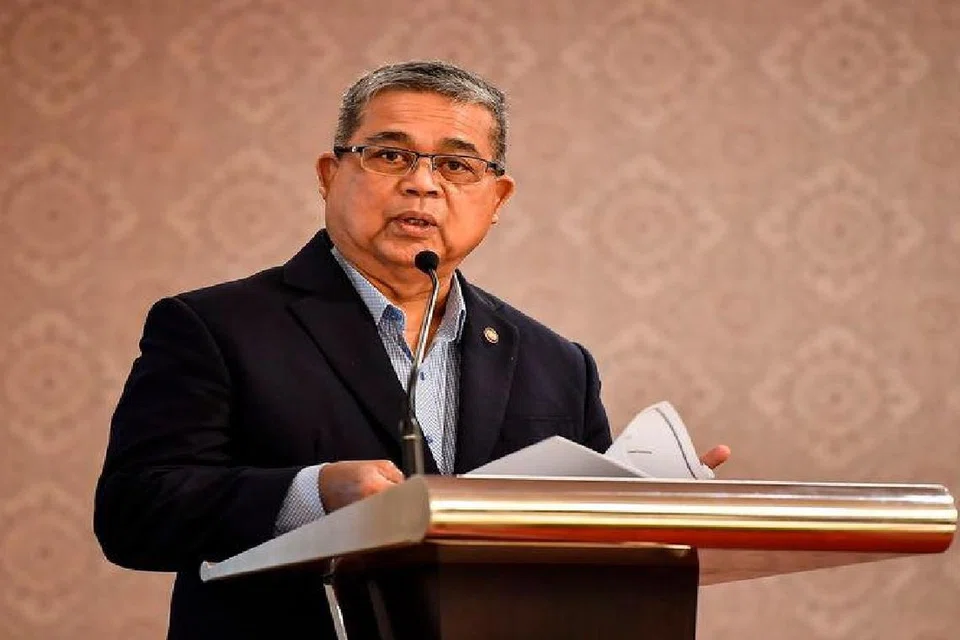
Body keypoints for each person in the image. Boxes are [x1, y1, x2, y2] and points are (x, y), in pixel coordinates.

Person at [93, 60, 730, 639]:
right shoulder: (213, 326)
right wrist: (315, 492)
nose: (422, 184)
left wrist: (658, 511)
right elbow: (134, 513)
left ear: (497, 199)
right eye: (390, 155)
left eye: (456, 165)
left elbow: (589, 553)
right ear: (329, 176)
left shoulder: (558, 363)